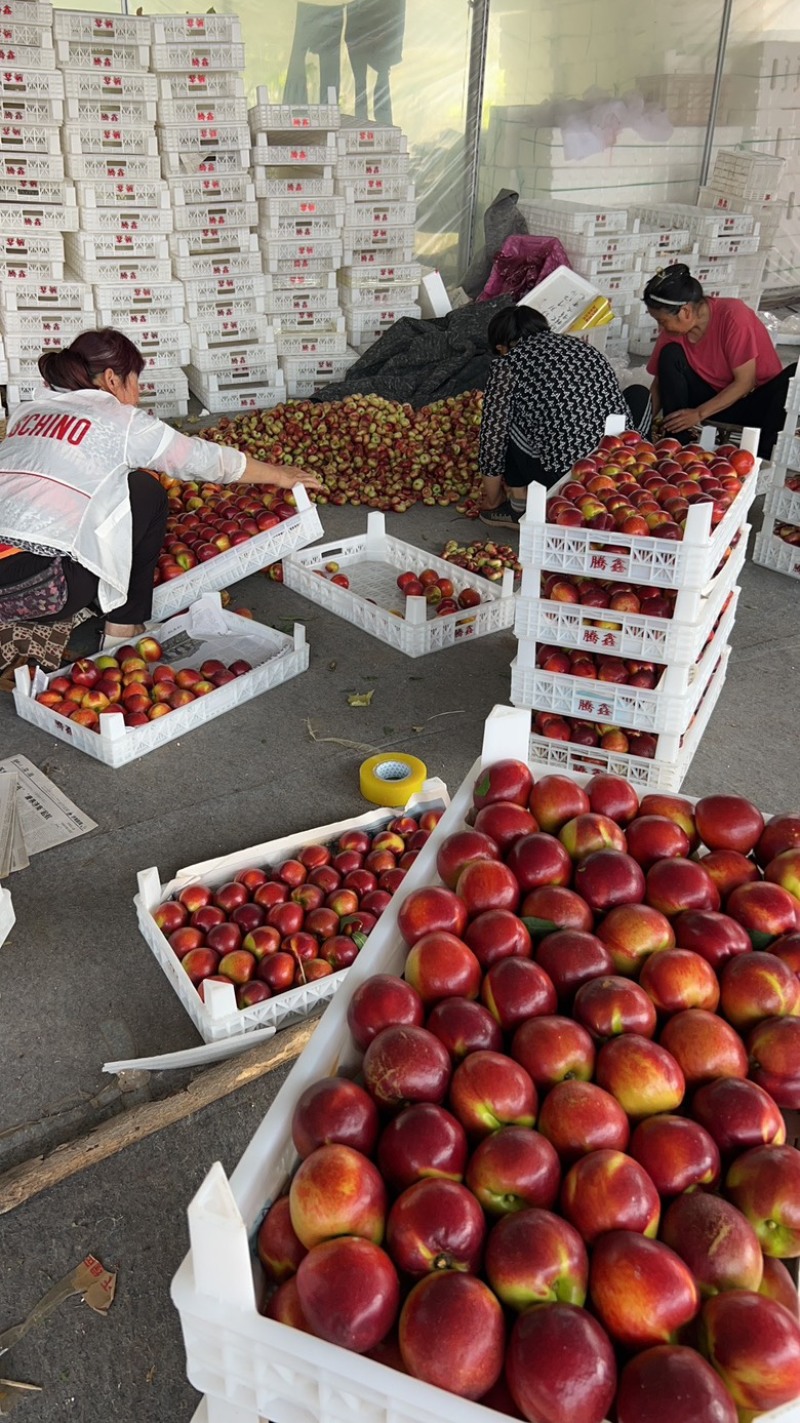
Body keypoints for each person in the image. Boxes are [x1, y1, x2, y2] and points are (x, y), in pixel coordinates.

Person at [0, 329, 323, 657]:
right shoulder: (119, 420)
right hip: (45, 588)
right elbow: (202, 460)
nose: (138, 394)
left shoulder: (28, 413)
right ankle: (123, 627)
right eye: (136, 381)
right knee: (144, 491)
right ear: (113, 379)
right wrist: (279, 475)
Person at [478, 305, 651, 529]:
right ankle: (643, 463)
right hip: (616, 466)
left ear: (502, 347)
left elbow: (493, 438)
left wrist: (492, 499)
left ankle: (518, 508)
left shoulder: (507, 364)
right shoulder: (584, 348)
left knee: (503, 419)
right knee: (638, 393)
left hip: (566, 479)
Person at [643, 264, 796, 459]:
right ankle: (676, 441)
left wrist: (698, 414)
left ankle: (762, 459)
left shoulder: (733, 316)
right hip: (711, 401)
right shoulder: (673, 332)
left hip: (755, 403)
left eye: (662, 321)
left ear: (686, 312)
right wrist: (638, 427)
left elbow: (745, 382)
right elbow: (659, 384)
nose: (660, 327)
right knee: (670, 355)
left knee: (795, 373)